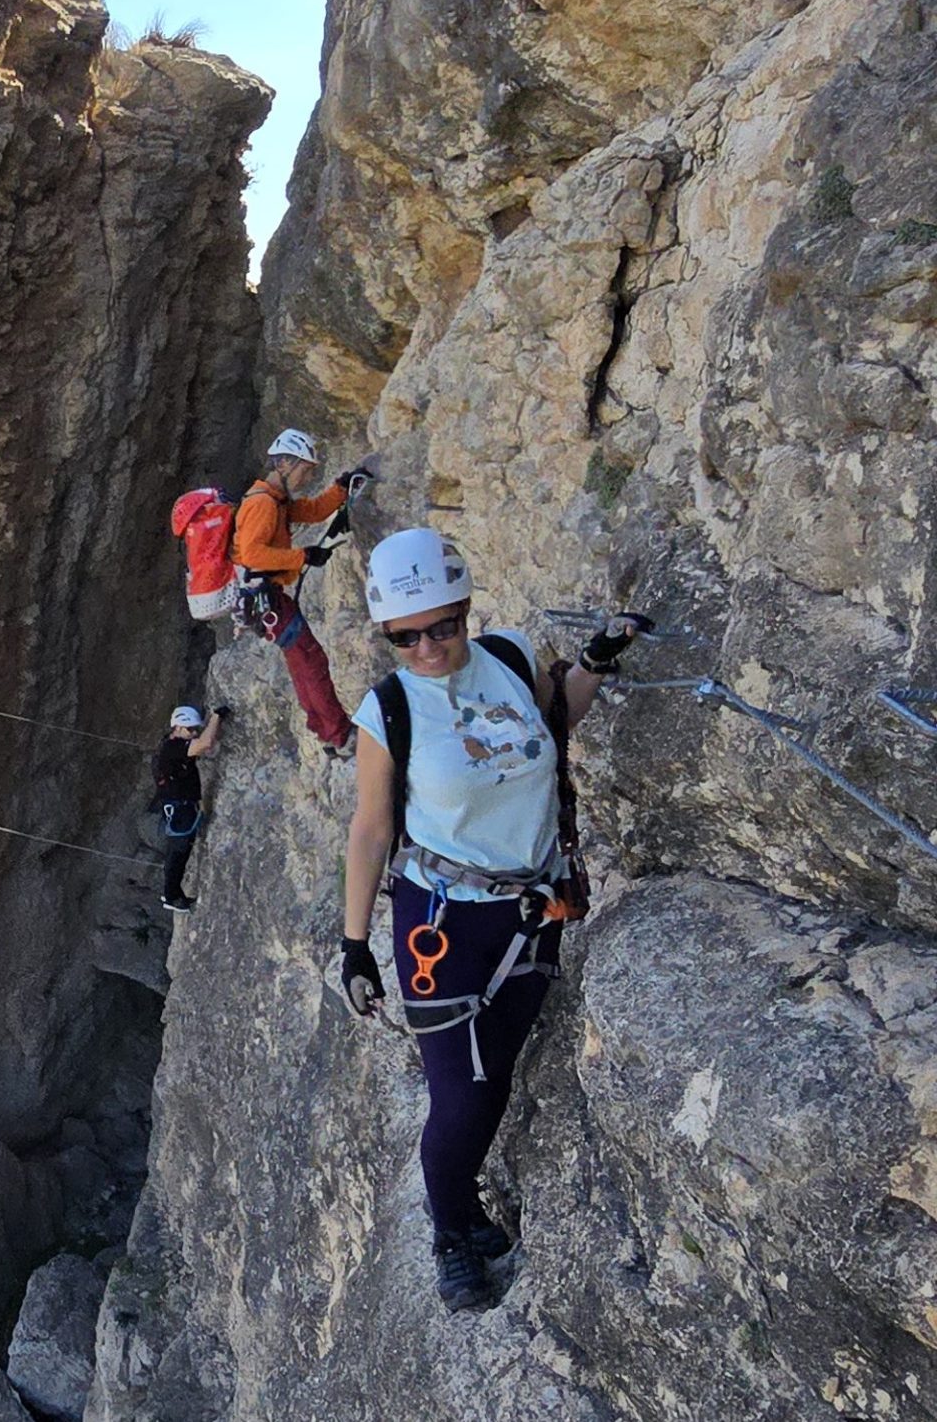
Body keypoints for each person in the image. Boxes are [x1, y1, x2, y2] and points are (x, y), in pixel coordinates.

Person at [338, 527, 646, 1312]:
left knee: (496, 1075)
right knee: (465, 1095)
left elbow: (558, 716)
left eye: (443, 626)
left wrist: (596, 664)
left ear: (467, 610)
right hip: (441, 924)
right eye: (406, 637)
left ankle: (467, 1209)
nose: (429, 647)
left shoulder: (507, 657)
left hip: (532, 911)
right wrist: (354, 947)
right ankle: (451, 1233)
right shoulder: (390, 710)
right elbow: (372, 829)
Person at [231, 429, 374, 758]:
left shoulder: (275, 500)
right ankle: (339, 735)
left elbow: (312, 511)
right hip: (264, 598)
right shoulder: (264, 504)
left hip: (268, 598)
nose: (307, 476)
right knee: (310, 661)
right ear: (283, 463)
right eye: (304, 470)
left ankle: (327, 731)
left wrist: (341, 488)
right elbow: (252, 555)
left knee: (304, 662)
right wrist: (303, 556)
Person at [148, 704, 225, 912]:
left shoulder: (174, 745)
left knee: (181, 850)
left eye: (194, 729)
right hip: (178, 807)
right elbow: (206, 743)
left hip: (183, 806)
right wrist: (216, 717)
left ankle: (174, 894)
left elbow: (204, 741)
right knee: (178, 851)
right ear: (179, 727)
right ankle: (171, 896)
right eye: (190, 729)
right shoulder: (172, 747)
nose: (193, 733)